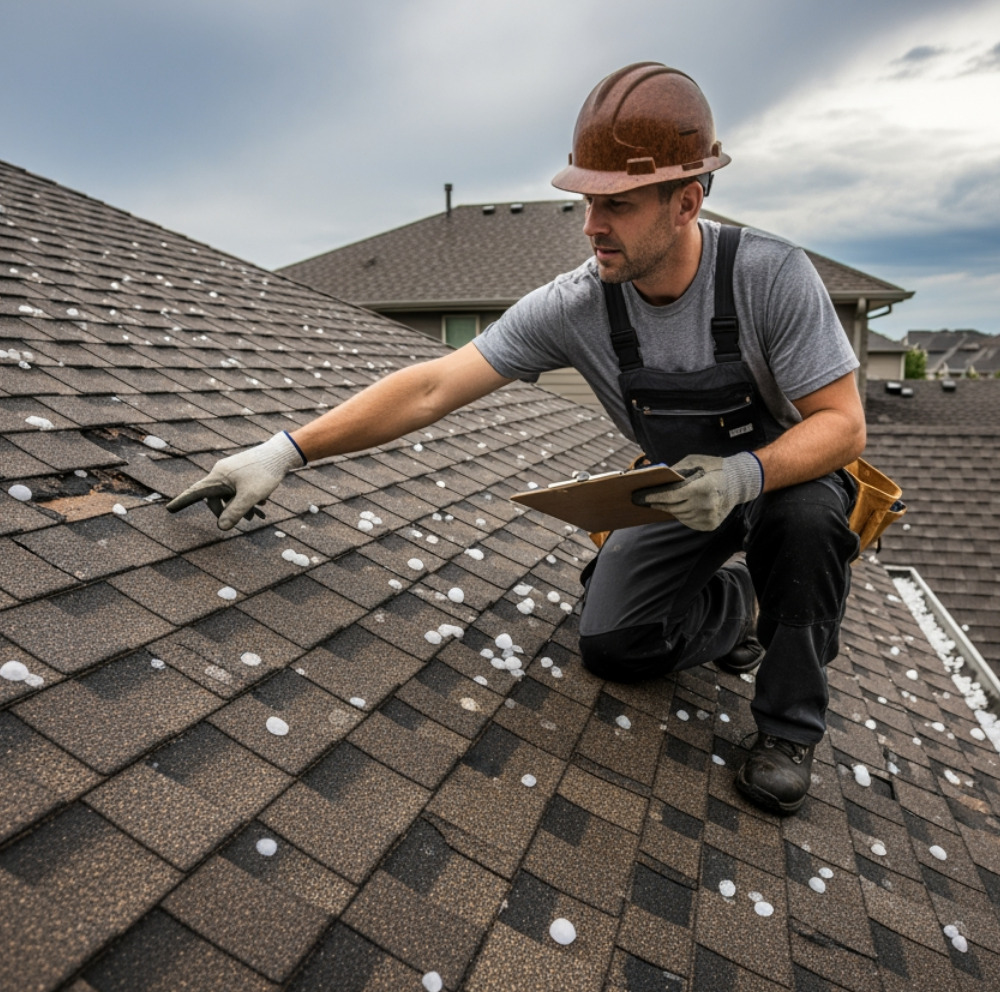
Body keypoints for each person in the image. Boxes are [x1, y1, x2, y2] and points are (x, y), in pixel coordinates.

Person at [167, 62, 865, 816]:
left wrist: (744, 476)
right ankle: (741, 610)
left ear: (686, 201)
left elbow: (843, 426)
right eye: (587, 203)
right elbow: (433, 385)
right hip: (675, 486)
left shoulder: (769, 277)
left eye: (618, 205)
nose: (593, 226)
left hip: (785, 478)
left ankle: (789, 729)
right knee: (613, 646)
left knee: (808, 524)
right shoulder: (577, 306)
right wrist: (285, 449)